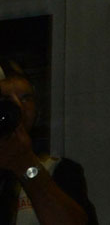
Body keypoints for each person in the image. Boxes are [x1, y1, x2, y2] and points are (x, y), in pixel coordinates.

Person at [0, 61, 97, 225]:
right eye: (5, 100)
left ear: (37, 110)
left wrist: (26, 164)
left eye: (25, 98)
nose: (17, 106)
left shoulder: (58, 169)